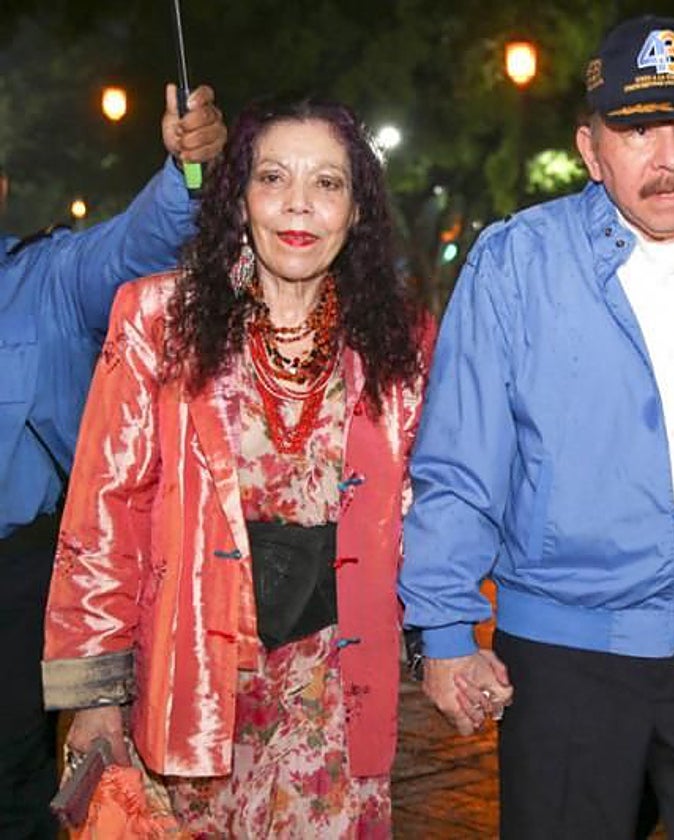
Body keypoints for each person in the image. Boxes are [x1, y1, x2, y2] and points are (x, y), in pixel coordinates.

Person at [400, 15, 674, 838]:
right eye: (638, 130)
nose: (671, 158)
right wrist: (444, 629)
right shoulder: (517, 264)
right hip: (565, 654)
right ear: (592, 150)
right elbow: (460, 461)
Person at [41, 95, 433, 837]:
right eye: (273, 177)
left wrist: (446, 639)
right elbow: (103, 515)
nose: (299, 205)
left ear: (357, 212)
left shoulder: (401, 344)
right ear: (239, 197)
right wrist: (94, 694)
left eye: (328, 184)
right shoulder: (158, 318)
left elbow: (432, 505)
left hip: (333, 701)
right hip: (193, 687)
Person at [0, 83, 224, 839]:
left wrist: (186, 169)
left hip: (19, 577)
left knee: (16, 784)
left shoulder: (48, 278)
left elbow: (142, 244)